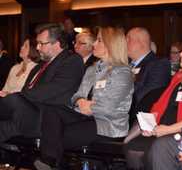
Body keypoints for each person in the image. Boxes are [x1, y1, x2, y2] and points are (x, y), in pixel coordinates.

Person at [34, 27, 134, 170]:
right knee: (52, 110)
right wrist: (79, 101)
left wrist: (90, 107)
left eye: (99, 40)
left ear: (111, 44)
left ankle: (51, 162)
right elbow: (75, 95)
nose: (94, 44)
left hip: (106, 123)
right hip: (83, 116)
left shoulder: (122, 72)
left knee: (58, 134)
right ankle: (50, 162)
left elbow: (109, 108)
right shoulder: (91, 70)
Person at [126, 33, 182, 170]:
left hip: (179, 130)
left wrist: (167, 130)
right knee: (133, 148)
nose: (181, 54)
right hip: (161, 127)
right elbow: (161, 104)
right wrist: (150, 124)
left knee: (150, 149)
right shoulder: (179, 76)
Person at [0, 23, 84, 142]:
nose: (38, 47)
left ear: (57, 44)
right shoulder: (38, 67)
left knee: (13, 100)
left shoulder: (72, 61)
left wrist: (15, 96)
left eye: (41, 43)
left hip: (48, 117)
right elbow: (26, 91)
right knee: (5, 126)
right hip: (26, 115)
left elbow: (53, 90)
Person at [126, 27, 171, 124]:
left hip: (138, 119)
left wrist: (119, 104)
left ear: (141, 42)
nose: (124, 43)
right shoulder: (124, 65)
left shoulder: (158, 64)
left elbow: (150, 95)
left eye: (128, 39)